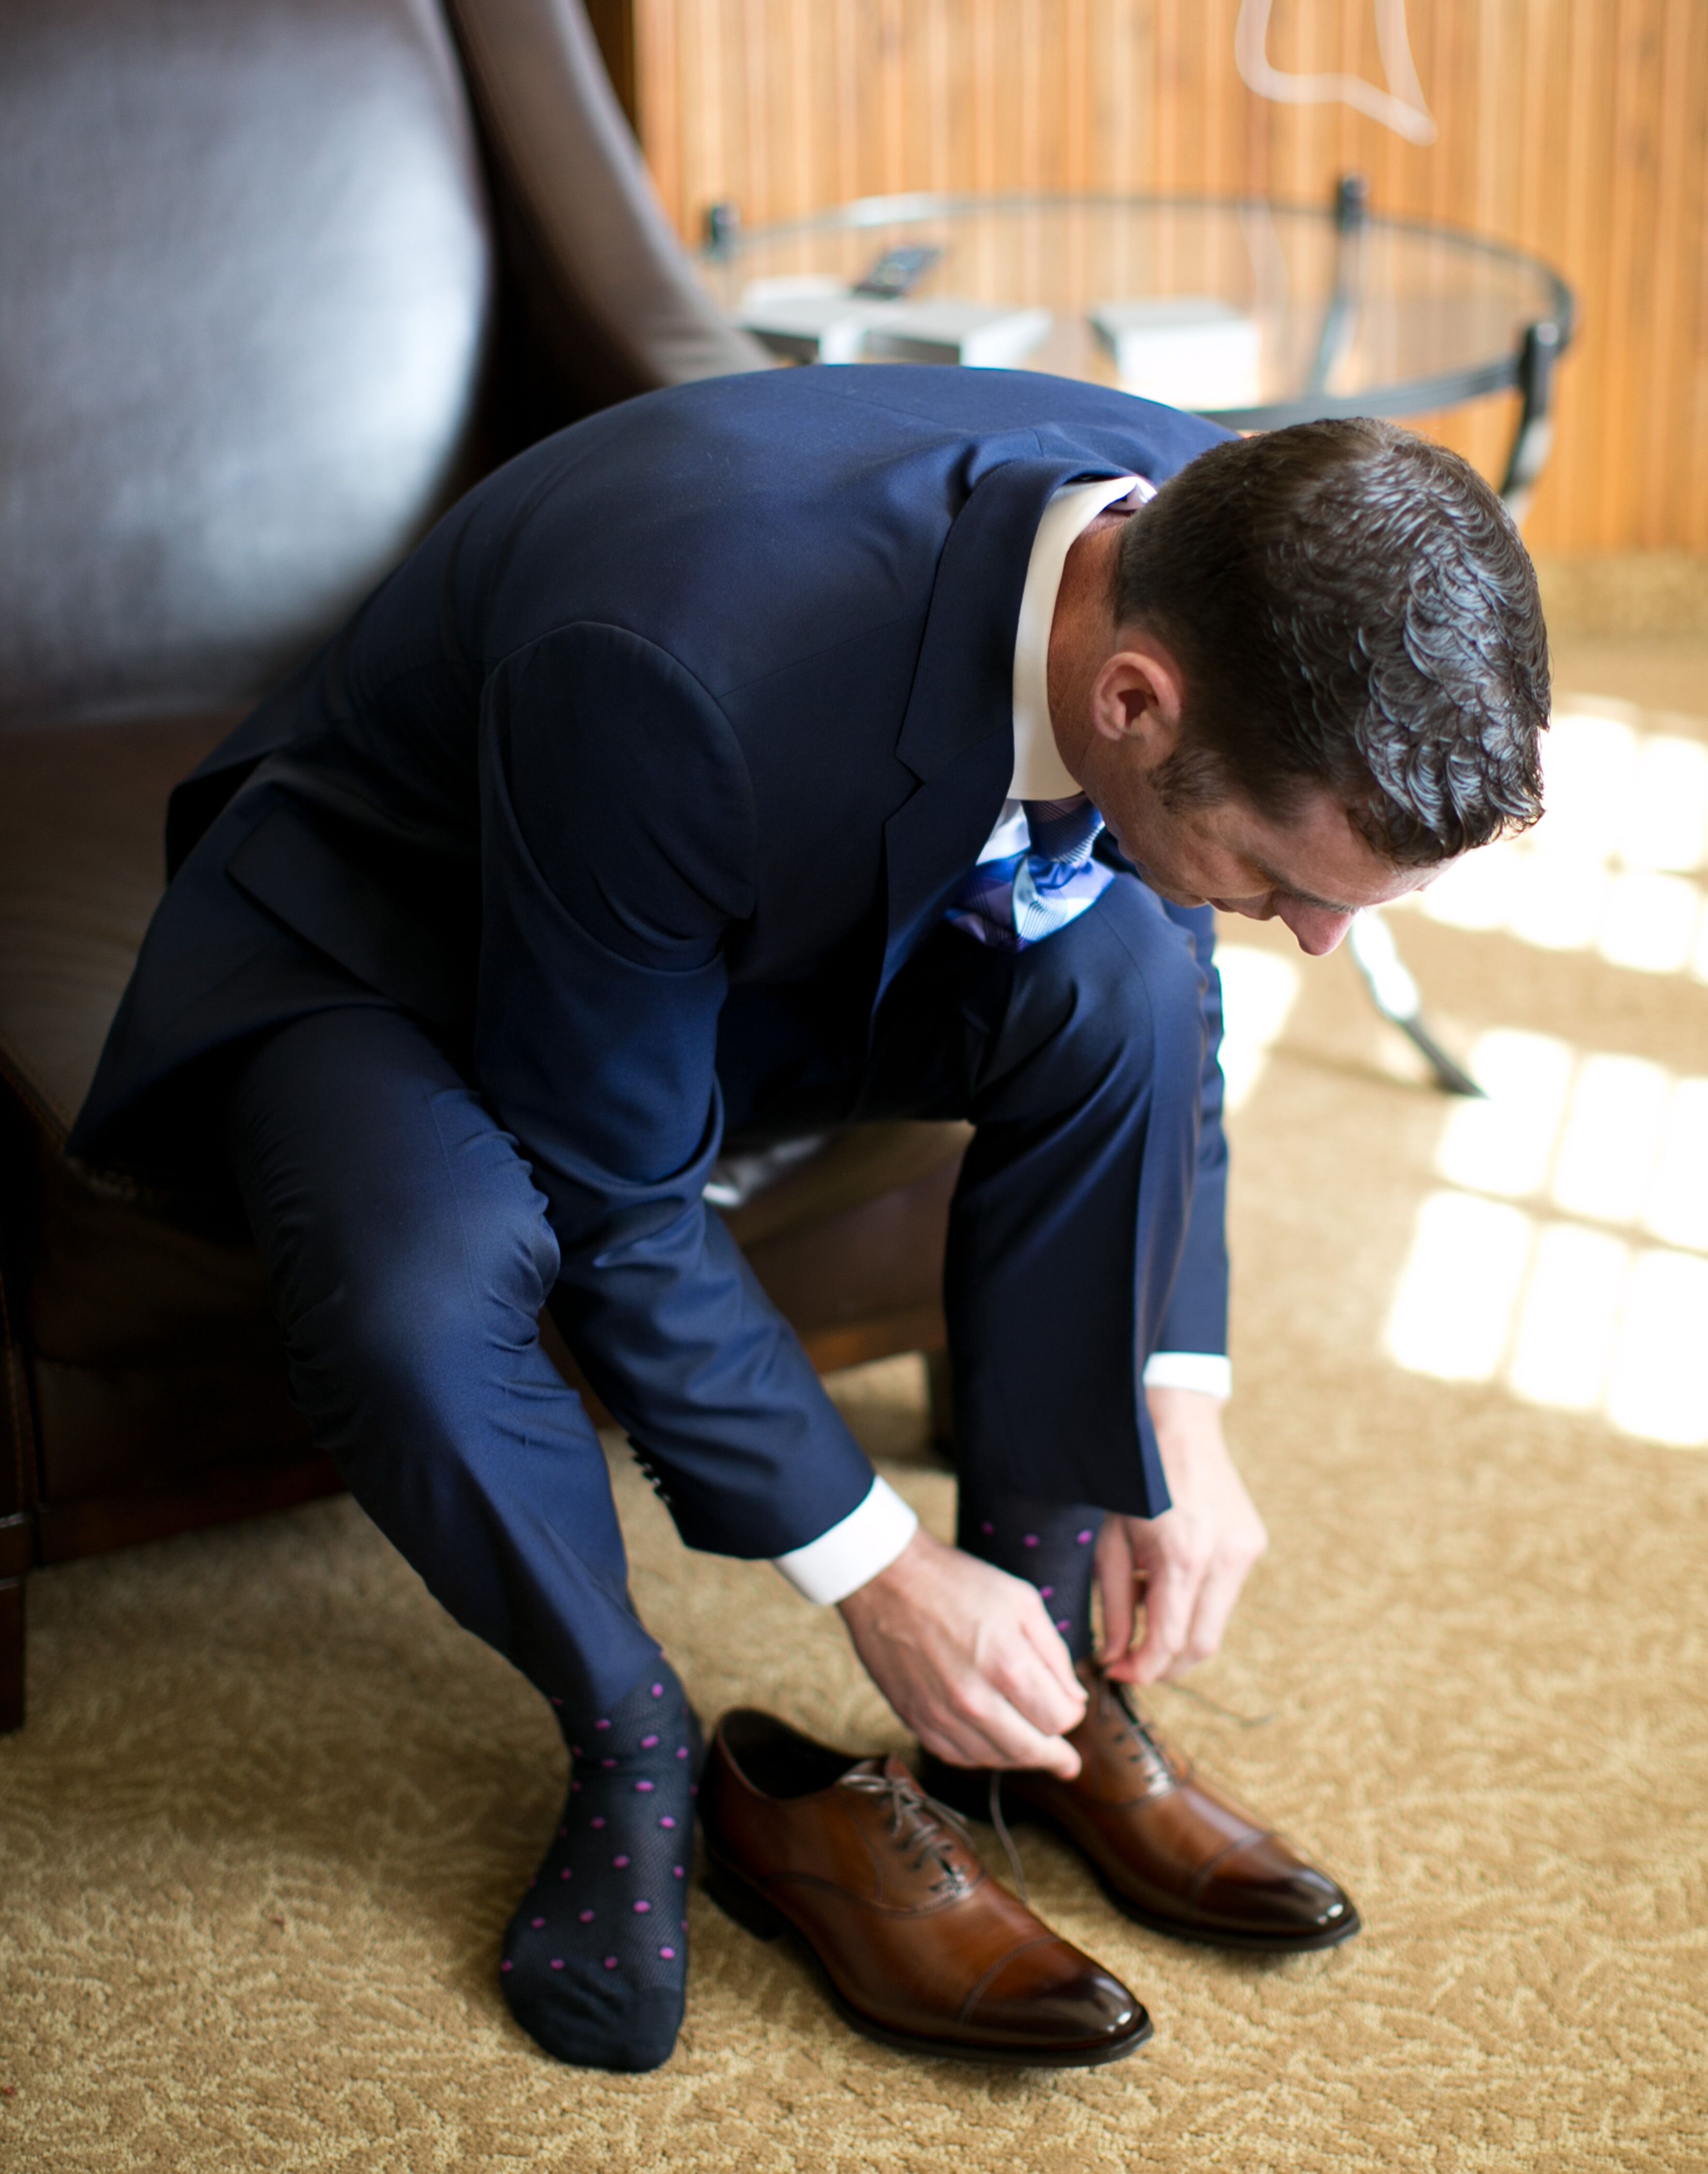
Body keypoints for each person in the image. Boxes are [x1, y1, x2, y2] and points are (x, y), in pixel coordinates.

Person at [71, 366, 1548, 2072]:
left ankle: (1037, 1677)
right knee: (424, 1284)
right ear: (1131, 699)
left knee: (1138, 978)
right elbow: (617, 1195)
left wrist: (1180, 1410)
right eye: (1293, 885)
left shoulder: (1241, 541)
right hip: (407, 933)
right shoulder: (677, 662)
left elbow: (1172, 977)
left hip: (747, 916)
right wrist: (874, 1566)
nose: (1308, 941)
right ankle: (630, 1735)